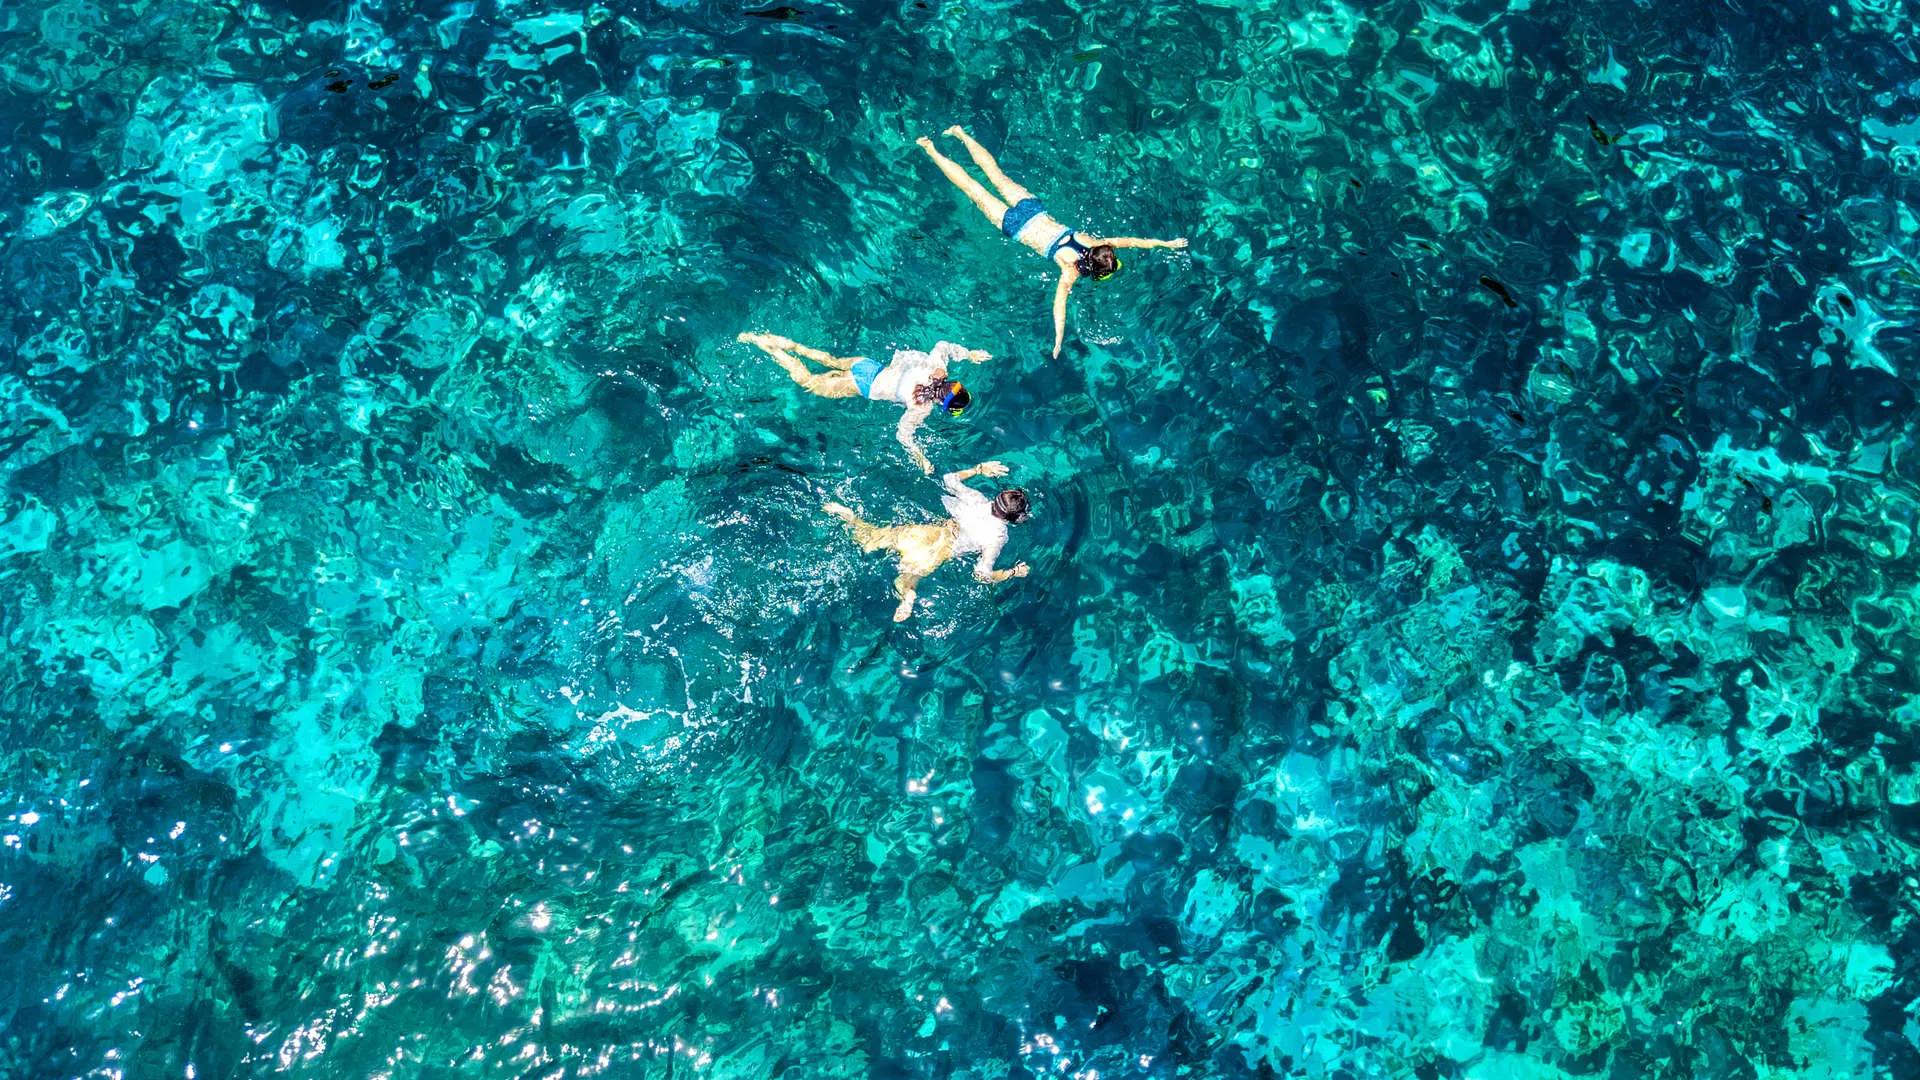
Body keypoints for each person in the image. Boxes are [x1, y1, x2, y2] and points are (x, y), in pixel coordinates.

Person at [915, 125, 1188, 358]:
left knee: (995, 174)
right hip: (1017, 227)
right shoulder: (1070, 271)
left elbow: (1131, 241)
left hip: (1033, 209)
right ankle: (930, 149)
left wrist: (1166, 243)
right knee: (972, 188)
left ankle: (959, 133)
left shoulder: (1094, 241)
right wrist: (1058, 340)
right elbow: (1060, 306)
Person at [738, 331, 989, 473]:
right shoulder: (921, 407)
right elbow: (903, 435)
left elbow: (942, 345)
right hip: (863, 386)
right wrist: (920, 457)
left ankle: (781, 341)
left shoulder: (938, 369)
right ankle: (769, 349)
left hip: (869, 366)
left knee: (829, 360)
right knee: (808, 381)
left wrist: (969, 354)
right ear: (944, 406)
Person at [823, 460, 1032, 622]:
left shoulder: (977, 499)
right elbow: (981, 575)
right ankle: (908, 597)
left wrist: (978, 469)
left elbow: (949, 479)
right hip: (938, 551)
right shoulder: (997, 537)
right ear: (1012, 518)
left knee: (869, 537)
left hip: (925, 533)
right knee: (905, 581)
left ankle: (849, 517)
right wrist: (1014, 572)